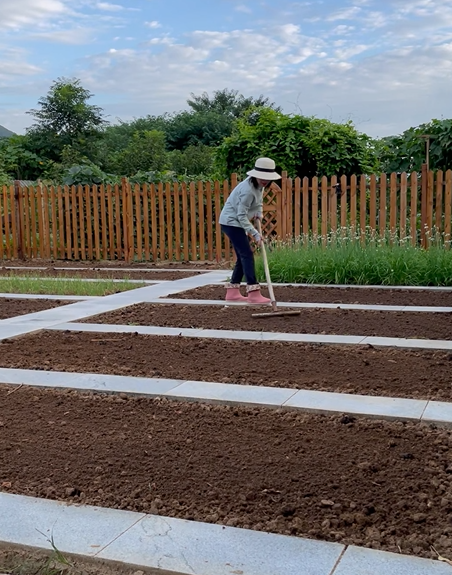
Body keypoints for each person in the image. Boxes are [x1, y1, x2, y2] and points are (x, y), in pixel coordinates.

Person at [219, 157, 281, 304]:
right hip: (231, 222)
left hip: (237, 222)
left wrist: (258, 213)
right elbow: (240, 215)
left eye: (267, 178)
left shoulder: (260, 185)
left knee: (243, 256)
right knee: (247, 254)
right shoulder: (247, 190)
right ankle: (253, 292)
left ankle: (232, 292)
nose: (264, 180)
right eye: (262, 177)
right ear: (255, 174)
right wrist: (254, 233)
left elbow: (258, 201)